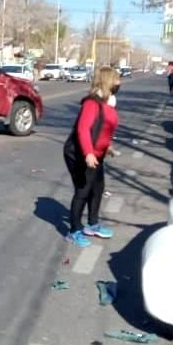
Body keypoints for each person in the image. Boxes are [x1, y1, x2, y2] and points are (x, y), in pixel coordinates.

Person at [63, 66, 121, 247]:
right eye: (117, 79)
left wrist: (107, 146)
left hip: (97, 154)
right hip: (79, 154)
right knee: (83, 191)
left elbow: (102, 129)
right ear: (108, 81)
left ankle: (92, 225)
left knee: (97, 189)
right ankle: (73, 231)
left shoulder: (108, 103)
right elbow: (83, 129)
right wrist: (88, 152)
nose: (120, 82)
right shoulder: (92, 103)